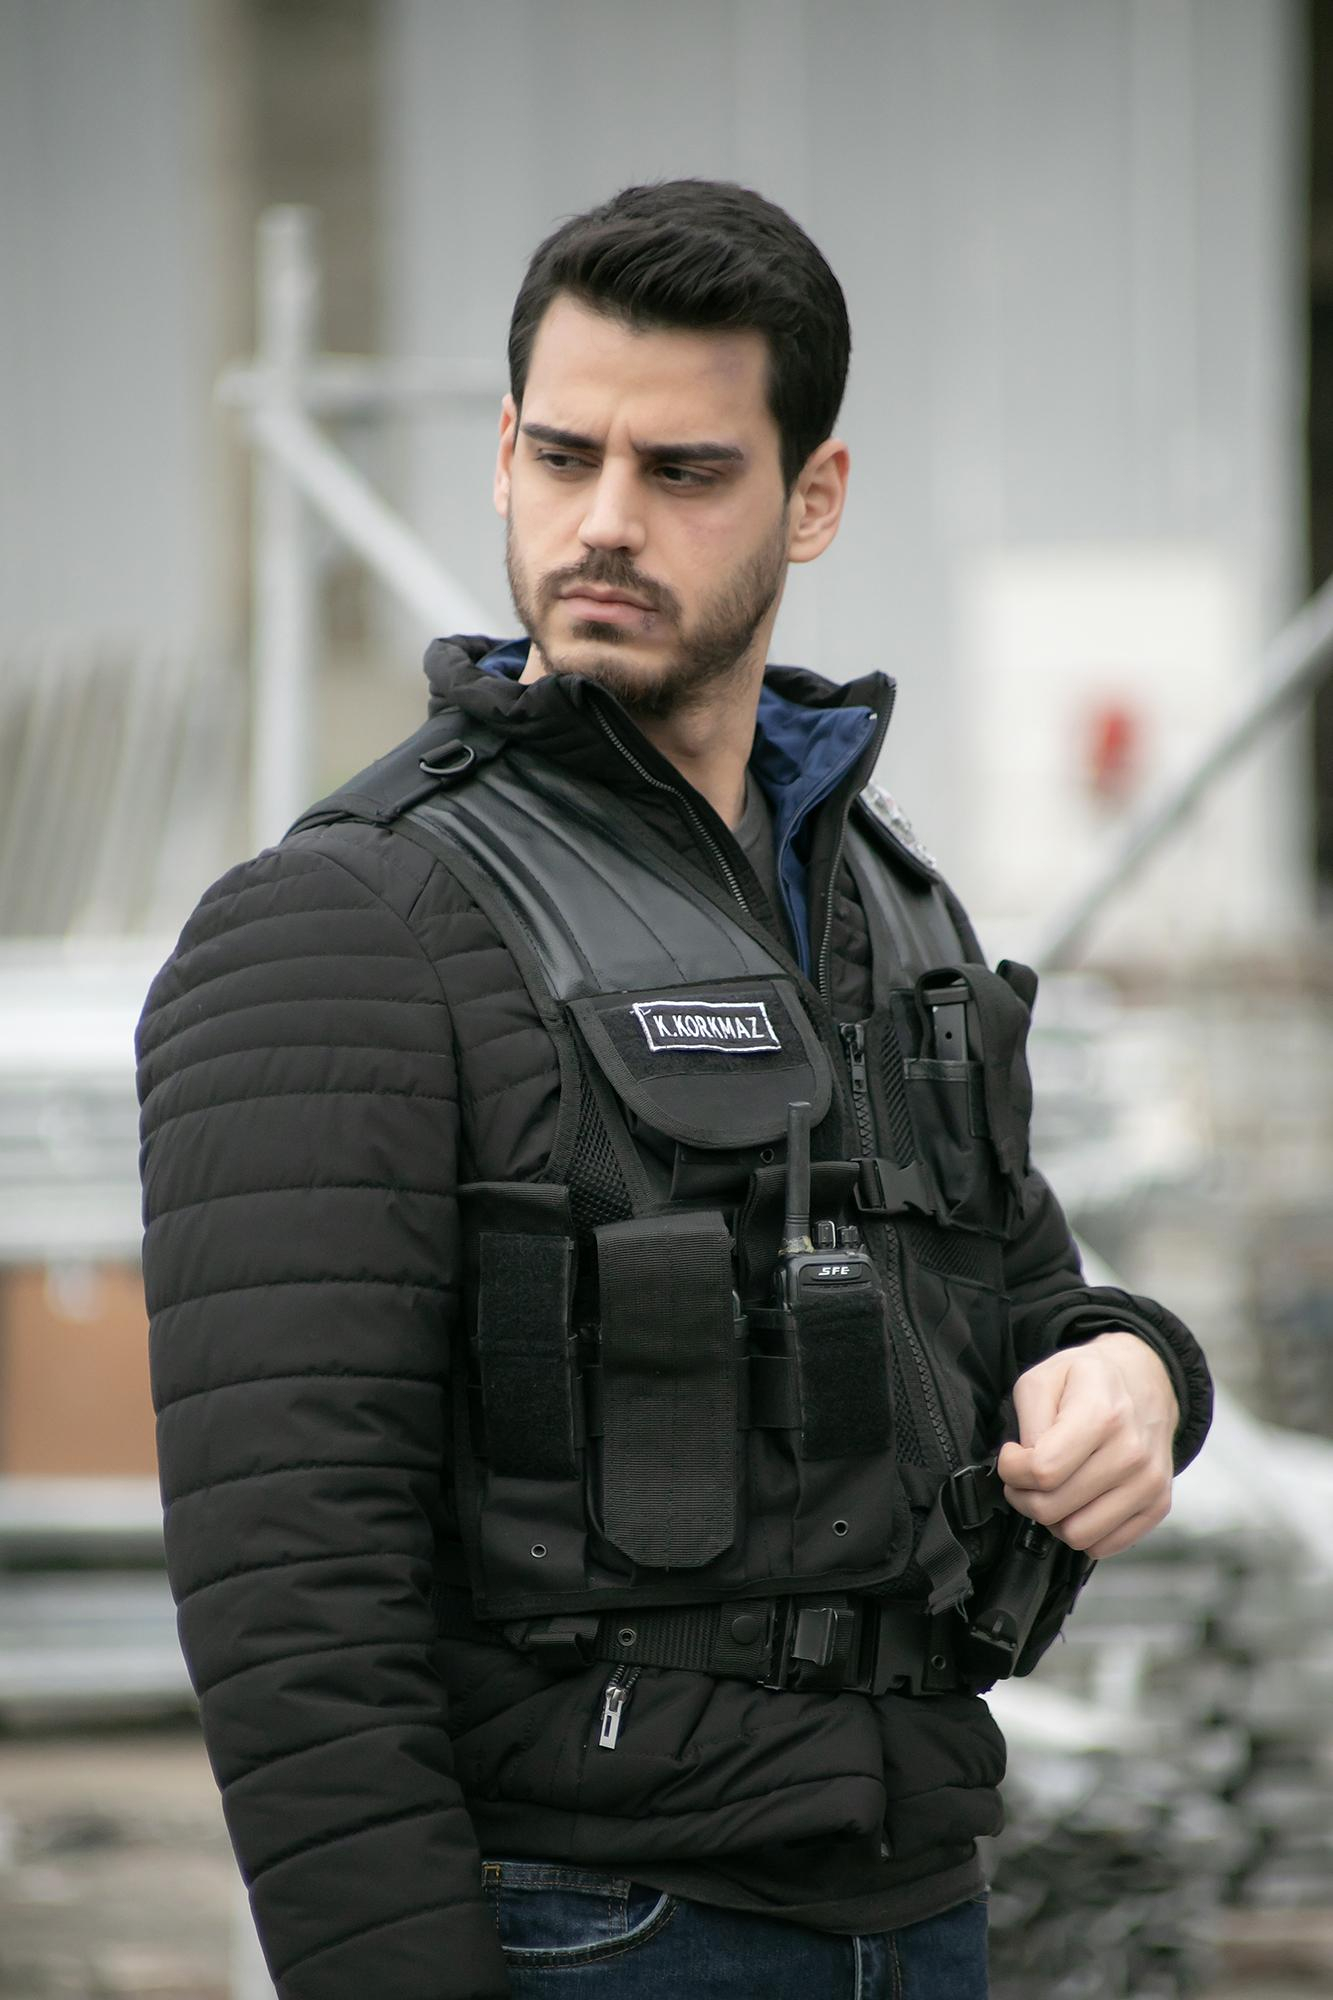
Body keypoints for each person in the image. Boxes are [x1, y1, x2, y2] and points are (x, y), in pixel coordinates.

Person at [137, 181, 1212, 2000]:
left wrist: (1134, 1374)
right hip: (586, 1926)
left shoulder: (884, 904)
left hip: (916, 1909)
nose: (605, 522)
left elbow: (1026, 1291)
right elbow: (290, 1607)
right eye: (564, 457)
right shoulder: (347, 926)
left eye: (685, 471)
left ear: (814, 496)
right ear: (501, 456)